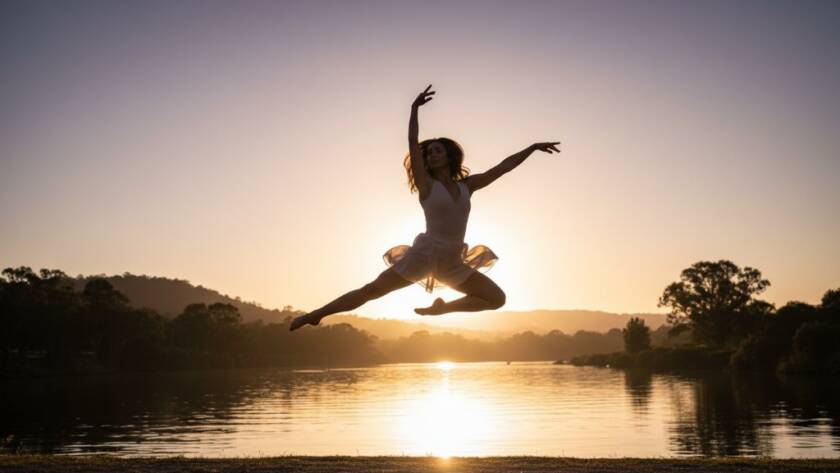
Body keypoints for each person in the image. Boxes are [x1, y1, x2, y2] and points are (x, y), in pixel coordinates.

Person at [290, 84, 560, 331]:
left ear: (449, 156)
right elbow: (411, 143)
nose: (431, 154)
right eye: (428, 153)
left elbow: (503, 168)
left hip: (452, 259)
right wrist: (414, 109)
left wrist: (532, 148)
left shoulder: (468, 186)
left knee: (496, 299)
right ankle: (316, 314)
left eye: (437, 150)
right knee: (370, 291)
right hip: (424, 254)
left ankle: (442, 309)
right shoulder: (426, 185)